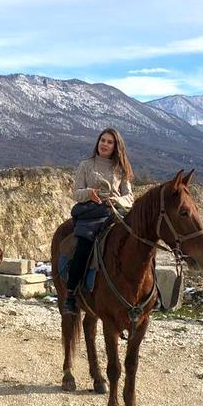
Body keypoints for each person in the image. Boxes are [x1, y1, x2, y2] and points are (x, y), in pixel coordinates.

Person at [63, 127, 134, 315]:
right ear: (98, 142)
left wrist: (115, 200)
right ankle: (71, 294)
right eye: (103, 140)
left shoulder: (121, 169)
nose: (105, 144)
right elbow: (76, 193)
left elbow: (129, 197)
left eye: (110, 142)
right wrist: (89, 194)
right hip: (92, 213)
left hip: (115, 212)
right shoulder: (86, 165)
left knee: (138, 242)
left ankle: (149, 294)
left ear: (115, 146)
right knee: (84, 245)